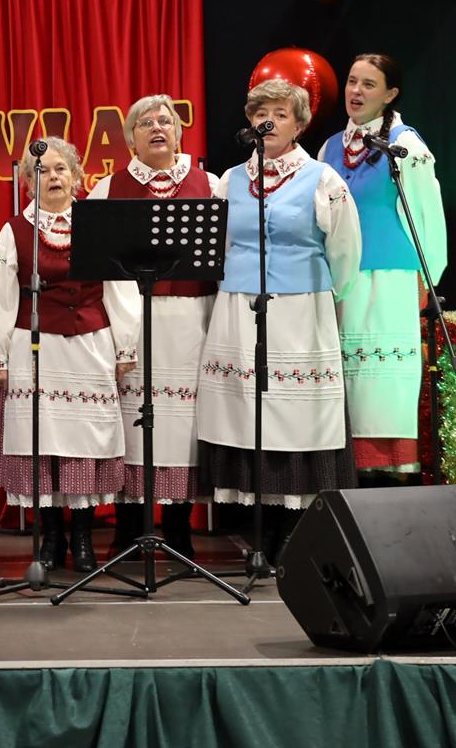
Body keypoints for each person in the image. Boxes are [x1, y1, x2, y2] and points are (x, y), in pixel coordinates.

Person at [195, 79, 361, 559]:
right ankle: (258, 527)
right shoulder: (230, 180)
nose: (267, 121)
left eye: (280, 114)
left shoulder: (324, 180)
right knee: (246, 412)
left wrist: (322, 297)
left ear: (299, 125)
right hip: (239, 307)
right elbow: (221, 247)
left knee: (295, 413)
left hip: (300, 308)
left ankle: (292, 528)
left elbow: (345, 251)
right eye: (260, 113)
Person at [0, 137, 139, 572]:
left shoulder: (97, 224)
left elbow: (120, 287)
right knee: (42, 444)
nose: (52, 177)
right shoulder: (15, 230)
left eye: (60, 169)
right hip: (35, 346)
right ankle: (50, 537)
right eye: (42, 171)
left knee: (85, 442)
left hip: (90, 343)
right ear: (27, 183)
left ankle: (83, 538)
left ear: (76, 177)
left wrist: (125, 346)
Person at [88, 94, 220, 559]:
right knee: (133, 423)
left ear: (179, 133)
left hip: (191, 320)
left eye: (166, 121)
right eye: (146, 123)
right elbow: (97, 266)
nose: (157, 128)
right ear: (131, 139)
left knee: (183, 427)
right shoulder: (108, 189)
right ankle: (128, 528)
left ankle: (180, 529)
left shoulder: (209, 184)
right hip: (131, 321)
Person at [318, 54, 448, 478]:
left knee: (382, 383)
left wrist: (426, 278)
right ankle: (346, 471)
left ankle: (391, 475)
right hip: (340, 280)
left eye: (368, 84)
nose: (355, 91)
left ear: (391, 94)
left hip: (389, 279)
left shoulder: (406, 147)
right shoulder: (330, 148)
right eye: (352, 81)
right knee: (344, 381)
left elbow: (427, 216)